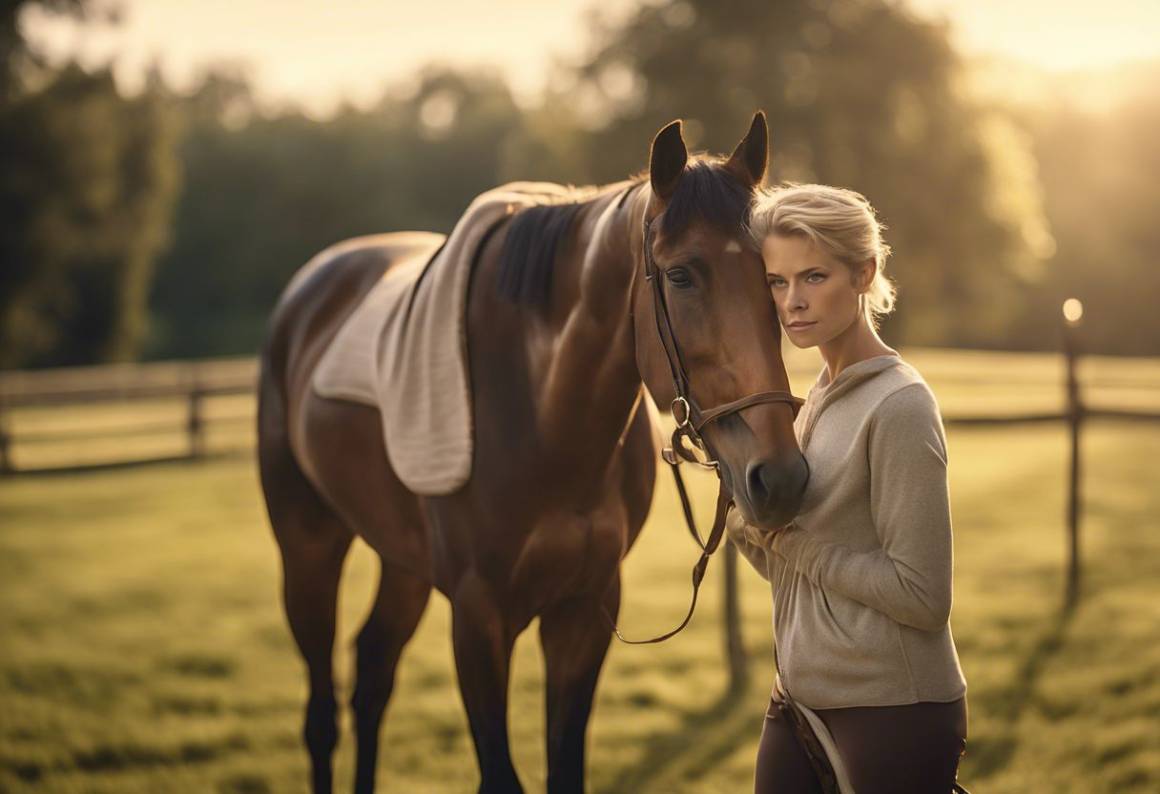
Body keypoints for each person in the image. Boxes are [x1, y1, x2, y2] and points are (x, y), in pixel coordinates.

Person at [728, 183, 969, 793]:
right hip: (797, 701)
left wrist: (790, 544)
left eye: (813, 277)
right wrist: (743, 521)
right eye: (777, 282)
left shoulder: (900, 405)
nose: (792, 302)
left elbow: (922, 595)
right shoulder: (810, 405)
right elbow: (797, 573)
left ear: (863, 273)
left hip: (892, 710)